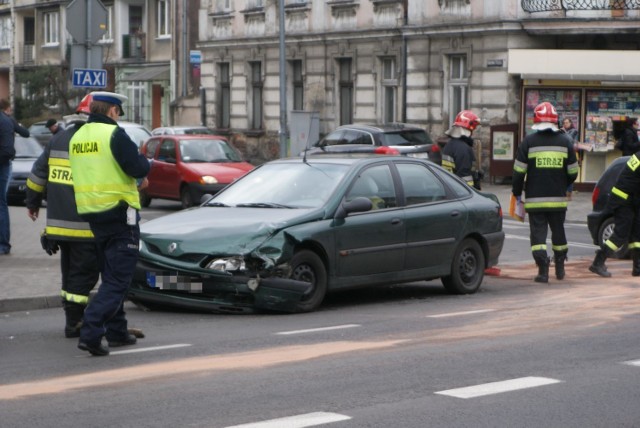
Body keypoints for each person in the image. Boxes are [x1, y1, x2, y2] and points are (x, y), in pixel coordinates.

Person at [69, 91, 150, 356]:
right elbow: (137, 168)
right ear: (113, 111)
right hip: (119, 214)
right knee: (118, 279)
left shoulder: (78, 136)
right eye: (118, 112)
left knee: (111, 274)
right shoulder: (113, 134)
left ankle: (117, 331)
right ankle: (92, 332)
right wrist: (144, 162)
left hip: (93, 213)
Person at [26, 97, 100, 338]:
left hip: (59, 227)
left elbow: (37, 175)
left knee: (69, 273)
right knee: (84, 274)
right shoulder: (95, 141)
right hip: (85, 226)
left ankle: (72, 318)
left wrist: (32, 203)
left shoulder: (58, 139)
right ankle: (75, 322)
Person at [512, 102, 579, 283]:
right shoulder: (565, 142)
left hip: (535, 200)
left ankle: (543, 271)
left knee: (538, 236)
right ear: (555, 121)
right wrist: (563, 184)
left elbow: (518, 172)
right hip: (558, 200)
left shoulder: (528, 142)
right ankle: (560, 268)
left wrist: (517, 192)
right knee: (559, 233)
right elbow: (573, 172)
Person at [589, 150, 640, 278]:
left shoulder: (638, 156)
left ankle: (637, 267)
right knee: (621, 234)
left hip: (629, 199)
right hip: (624, 200)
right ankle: (598, 262)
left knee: (637, 233)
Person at [0, 98, 30, 255]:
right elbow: (26, 133)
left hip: (3, 164)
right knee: (2, 204)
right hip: (5, 164)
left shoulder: (6, 120)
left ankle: (3, 244)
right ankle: (3, 244)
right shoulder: (8, 120)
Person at [441, 110, 482, 189]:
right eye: (472, 130)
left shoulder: (449, 145)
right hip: (461, 191)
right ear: (467, 129)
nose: (472, 133)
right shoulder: (463, 149)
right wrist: (474, 190)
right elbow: (464, 175)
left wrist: (475, 175)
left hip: (450, 187)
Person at [561, 118, 579, 200]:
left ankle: (569, 193)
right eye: (564, 123)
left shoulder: (573, 131)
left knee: (570, 173)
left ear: (570, 123)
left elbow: (569, 139)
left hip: (571, 155)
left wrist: (563, 132)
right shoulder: (563, 131)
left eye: (567, 122)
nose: (565, 124)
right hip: (563, 154)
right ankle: (564, 192)